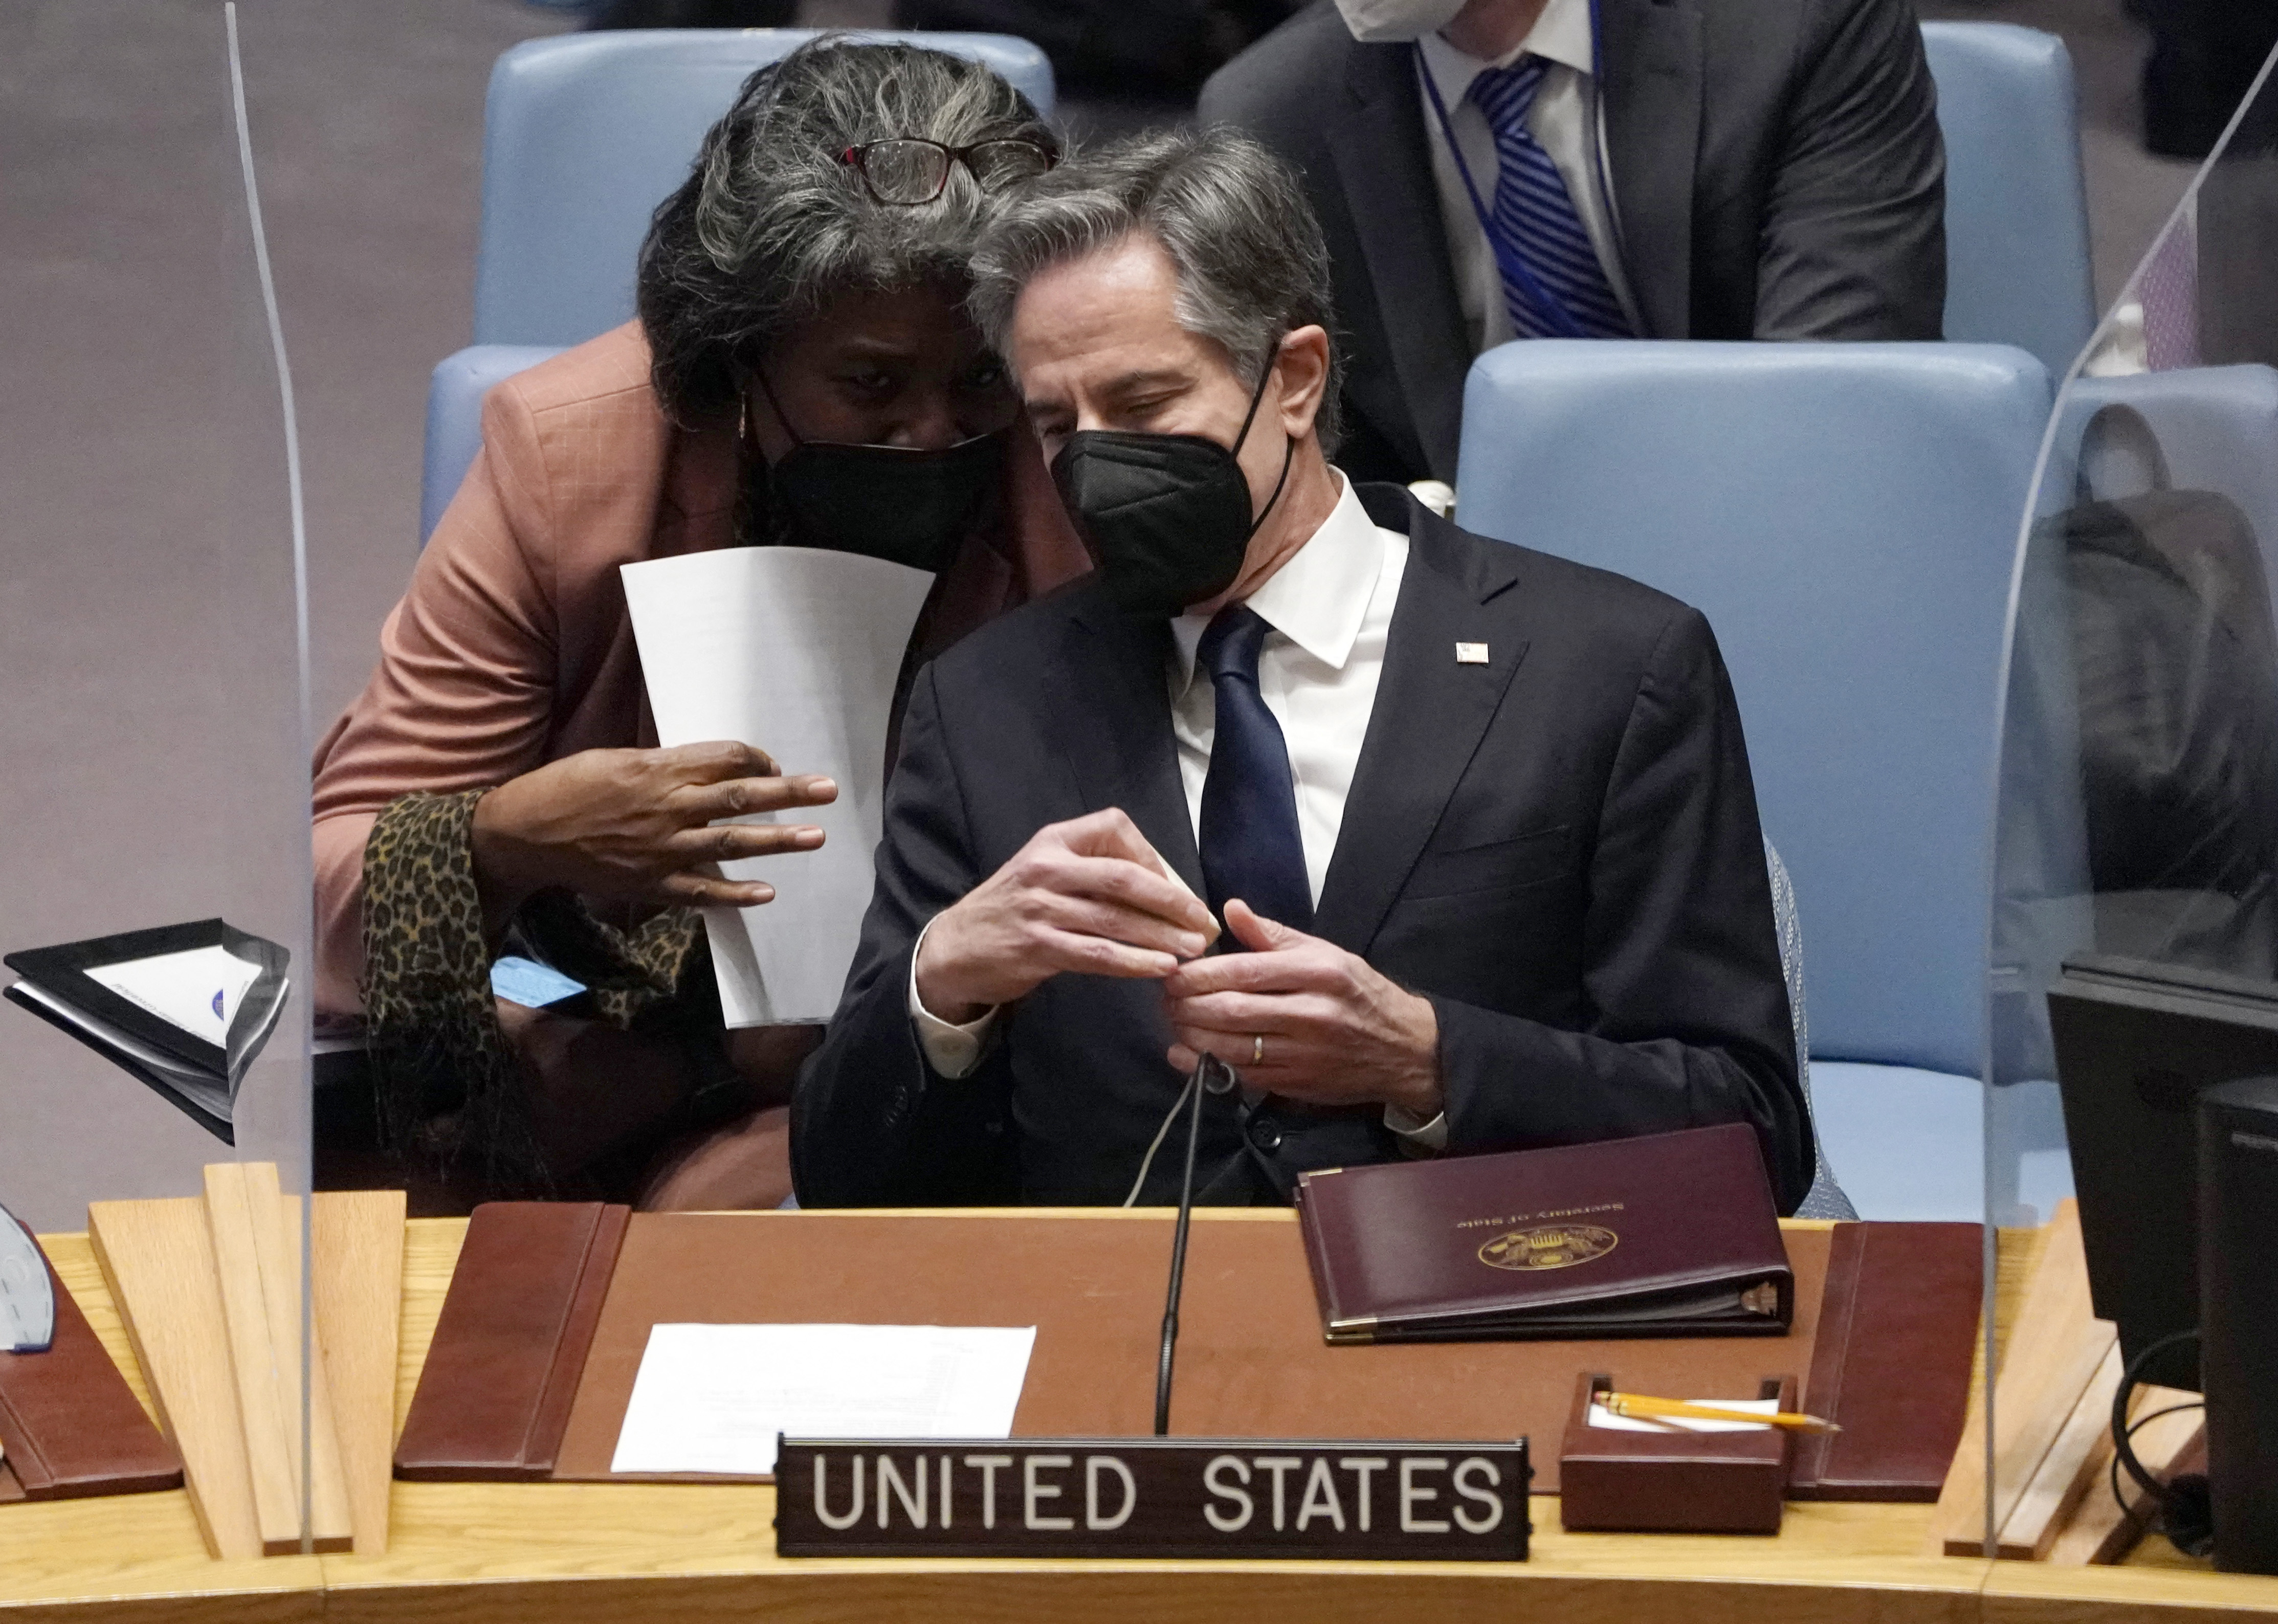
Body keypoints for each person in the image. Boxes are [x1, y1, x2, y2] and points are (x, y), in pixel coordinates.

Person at [792, 129, 1809, 1211]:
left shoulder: (1605, 668)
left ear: (1292, 378)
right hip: (1117, 1334)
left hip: (1484, 1311)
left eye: (1141, 407)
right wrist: (941, 986)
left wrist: (1426, 1061)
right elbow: (848, 1185)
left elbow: (1751, 1135)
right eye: (1055, 423)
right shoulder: (984, 704)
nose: (1091, 463)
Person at [312, 39, 1088, 1212]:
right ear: (736, 360)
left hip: (951, 1047)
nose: (935, 434)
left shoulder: (1067, 458)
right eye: (871, 387)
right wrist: (506, 836)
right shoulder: (569, 461)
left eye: (977, 379)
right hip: (596, 1031)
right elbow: (332, 888)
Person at [1197, 0, 1947, 487]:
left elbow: (1836, 408)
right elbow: (1321, 472)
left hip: (1780, 522)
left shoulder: (1799, 26)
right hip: (1492, 605)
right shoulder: (1273, 116)